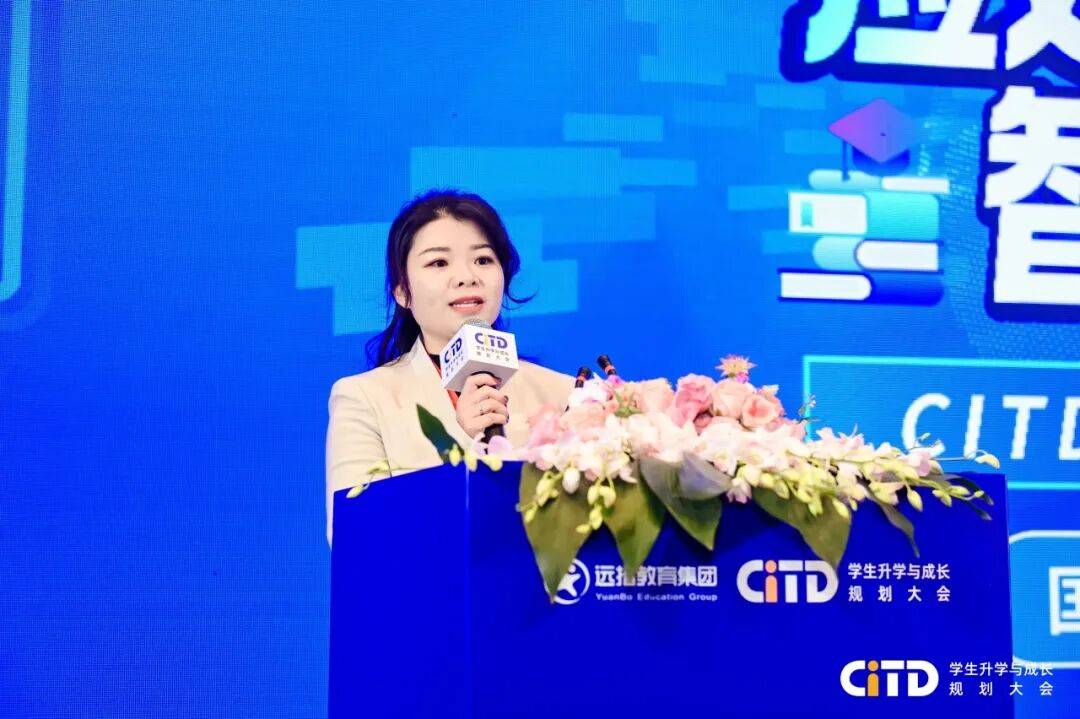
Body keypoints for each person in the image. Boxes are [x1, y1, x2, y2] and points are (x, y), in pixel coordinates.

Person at [324, 189, 574, 543]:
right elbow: (354, 536)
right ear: (403, 291)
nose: (467, 276)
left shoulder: (562, 394)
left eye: (483, 260)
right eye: (439, 263)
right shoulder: (364, 399)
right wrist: (463, 441)